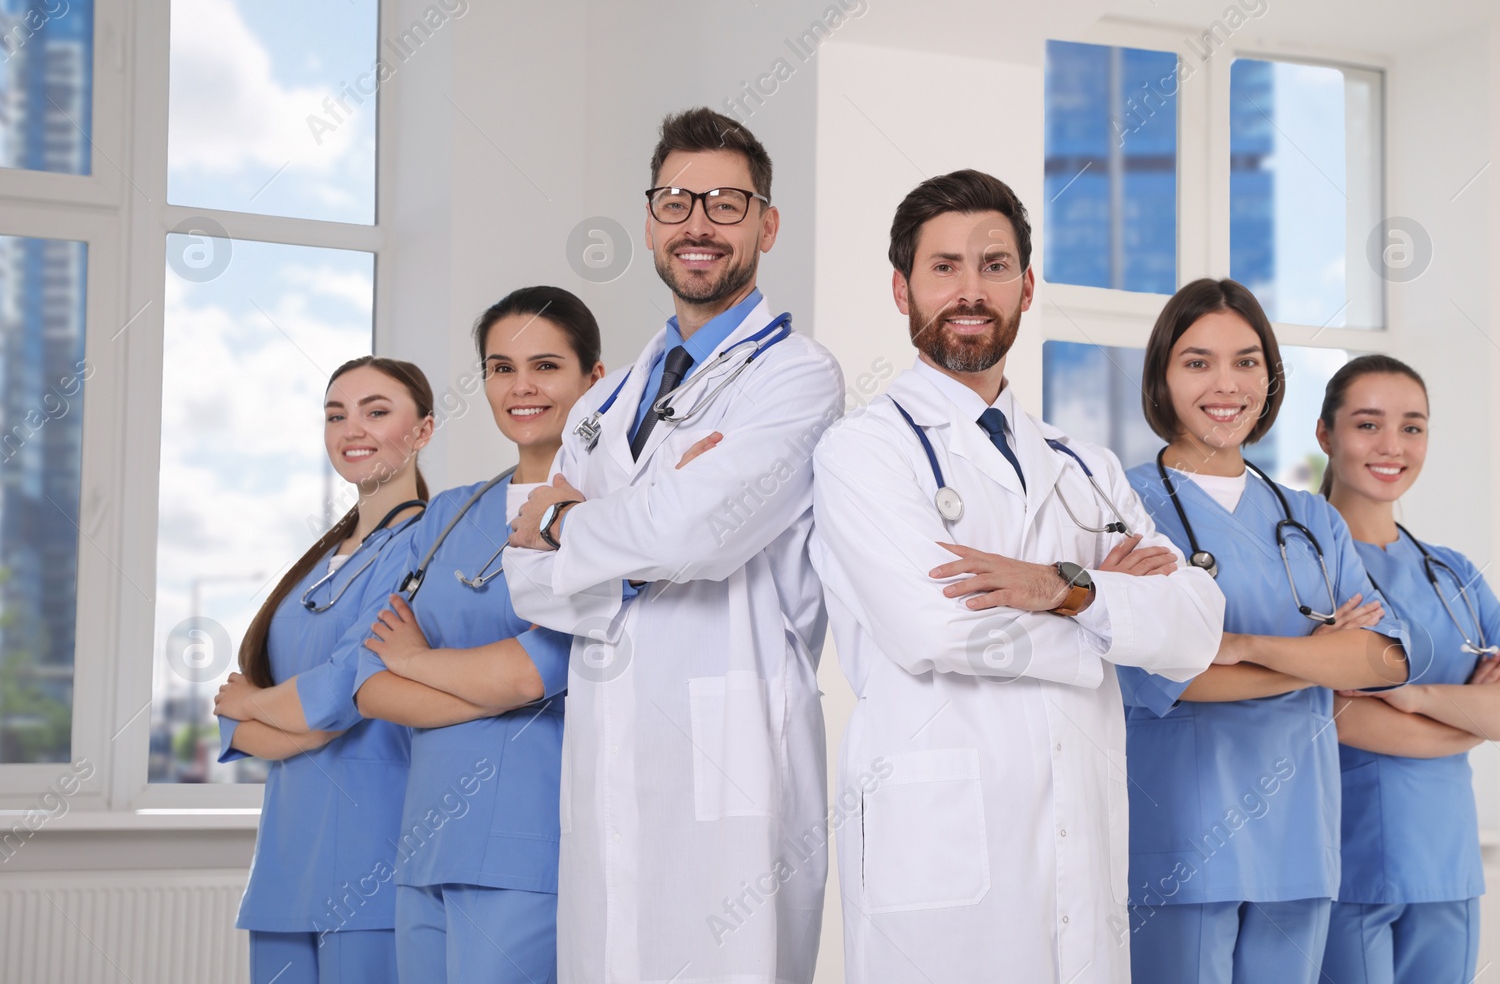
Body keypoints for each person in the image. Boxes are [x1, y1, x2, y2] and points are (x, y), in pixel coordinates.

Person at [809, 169, 1225, 984]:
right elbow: (935, 627)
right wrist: (1104, 613)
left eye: (995, 265)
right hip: (940, 854)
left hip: (1082, 851)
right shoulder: (864, 450)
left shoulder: (1084, 464)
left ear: (1028, 286)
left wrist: (1059, 586)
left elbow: (1194, 627)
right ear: (902, 289)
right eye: (945, 267)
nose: (971, 289)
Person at [502, 108, 845, 984]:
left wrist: (575, 527)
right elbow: (526, 578)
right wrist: (640, 529)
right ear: (651, 222)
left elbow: (703, 533)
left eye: (726, 202)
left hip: (734, 741)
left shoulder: (798, 376)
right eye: (676, 200)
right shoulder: (601, 403)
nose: (697, 222)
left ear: (767, 224)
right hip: (610, 735)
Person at [1117, 278, 1413, 984]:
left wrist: (1247, 646)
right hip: (1182, 846)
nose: (1227, 384)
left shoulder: (1310, 518)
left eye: (1247, 361)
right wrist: (1320, 659)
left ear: (1270, 377)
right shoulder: (1124, 503)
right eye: (1198, 362)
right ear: (1162, 375)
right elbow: (1172, 676)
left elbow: (1385, 657)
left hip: (1301, 846)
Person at [1315, 354, 1500, 984]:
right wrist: (1476, 716)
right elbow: (1337, 716)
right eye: (1368, 424)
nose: (1392, 445)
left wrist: (1415, 696)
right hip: (1348, 867)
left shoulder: (1452, 573)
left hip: (1448, 866)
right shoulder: (1307, 567)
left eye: (1413, 427)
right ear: (1325, 435)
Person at [212, 356, 434, 984]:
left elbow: (333, 706)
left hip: (371, 856)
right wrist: (265, 712)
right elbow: (245, 728)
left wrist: (251, 703)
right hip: (286, 863)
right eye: (336, 414)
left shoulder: (426, 545)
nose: (351, 429)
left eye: (376, 411)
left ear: (423, 430)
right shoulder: (320, 561)